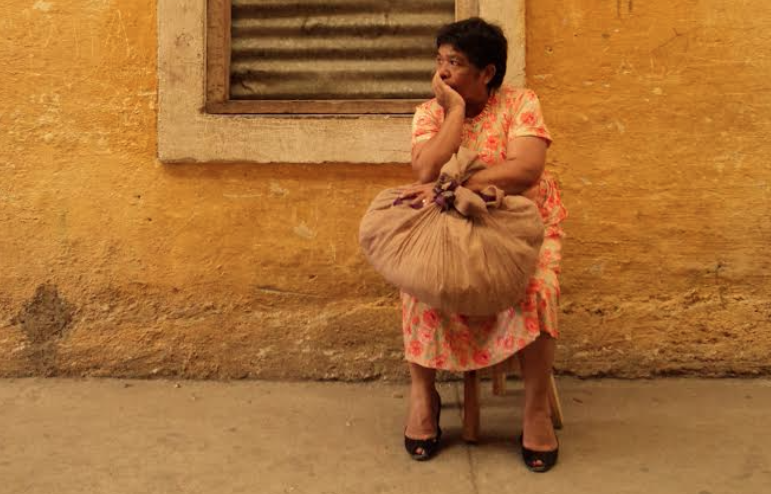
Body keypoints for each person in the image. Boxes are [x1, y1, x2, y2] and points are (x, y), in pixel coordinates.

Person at [398, 17, 568, 472]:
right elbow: (423, 171)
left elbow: (525, 171)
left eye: (454, 63)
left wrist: (455, 179)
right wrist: (453, 110)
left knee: (538, 291)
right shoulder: (430, 112)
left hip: (521, 224)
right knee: (417, 283)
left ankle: (533, 412)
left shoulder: (521, 103)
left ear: (487, 72)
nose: (443, 72)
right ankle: (422, 398)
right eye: (439, 61)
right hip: (452, 225)